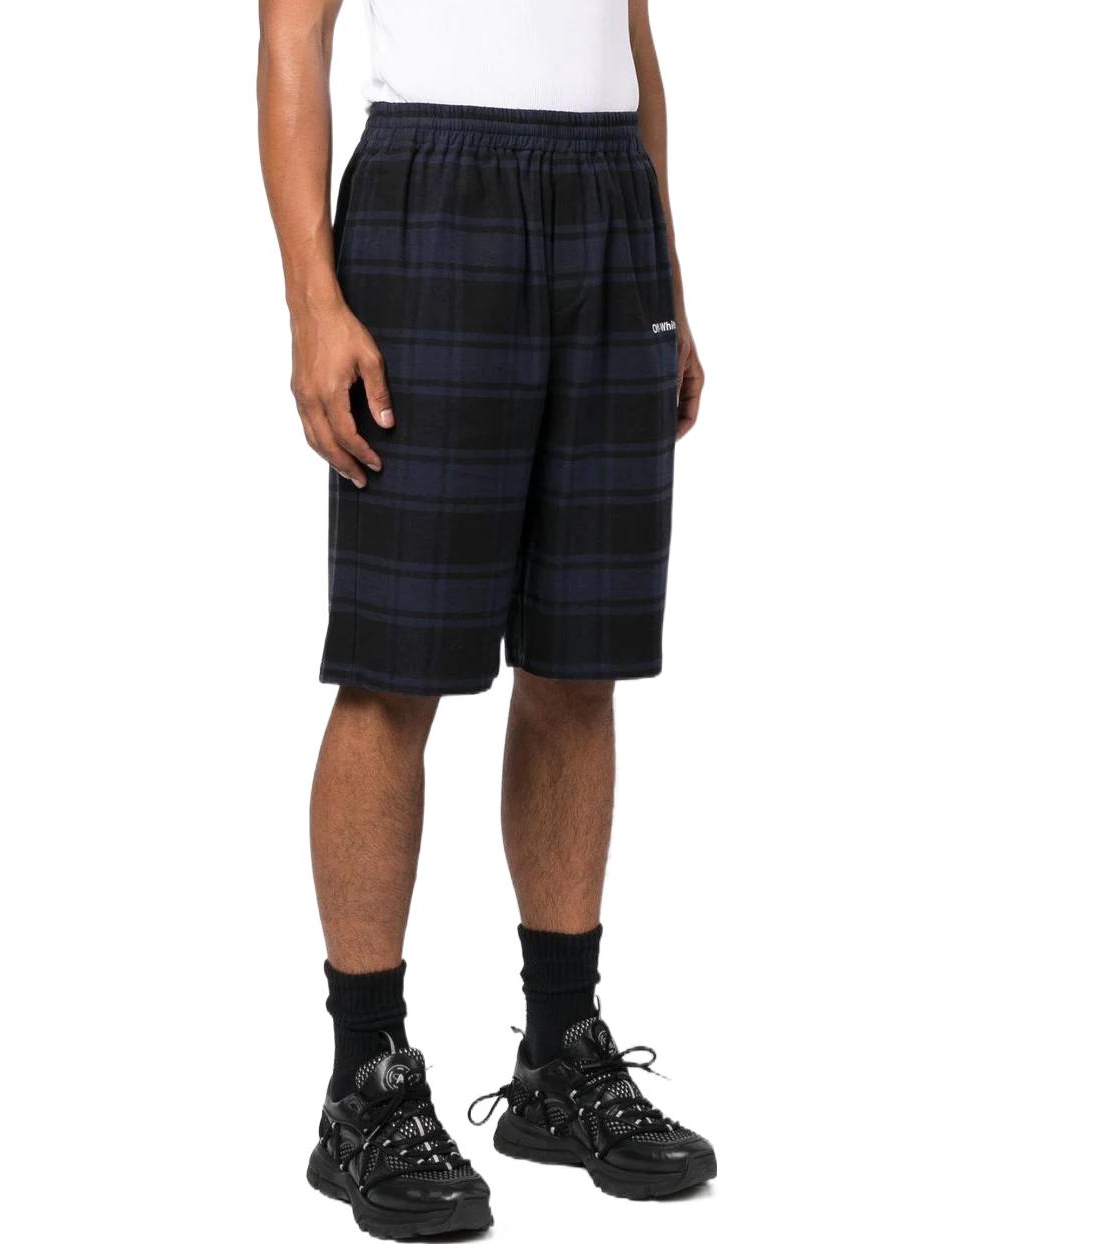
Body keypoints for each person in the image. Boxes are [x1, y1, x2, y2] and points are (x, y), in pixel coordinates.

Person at [258, 0, 713, 1233]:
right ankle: (363, 1081)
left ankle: (559, 1054)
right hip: (434, 192)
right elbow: (292, 34)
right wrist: (312, 301)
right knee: (393, 668)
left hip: (608, 203)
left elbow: (630, 39)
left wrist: (666, 275)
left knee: (579, 660)